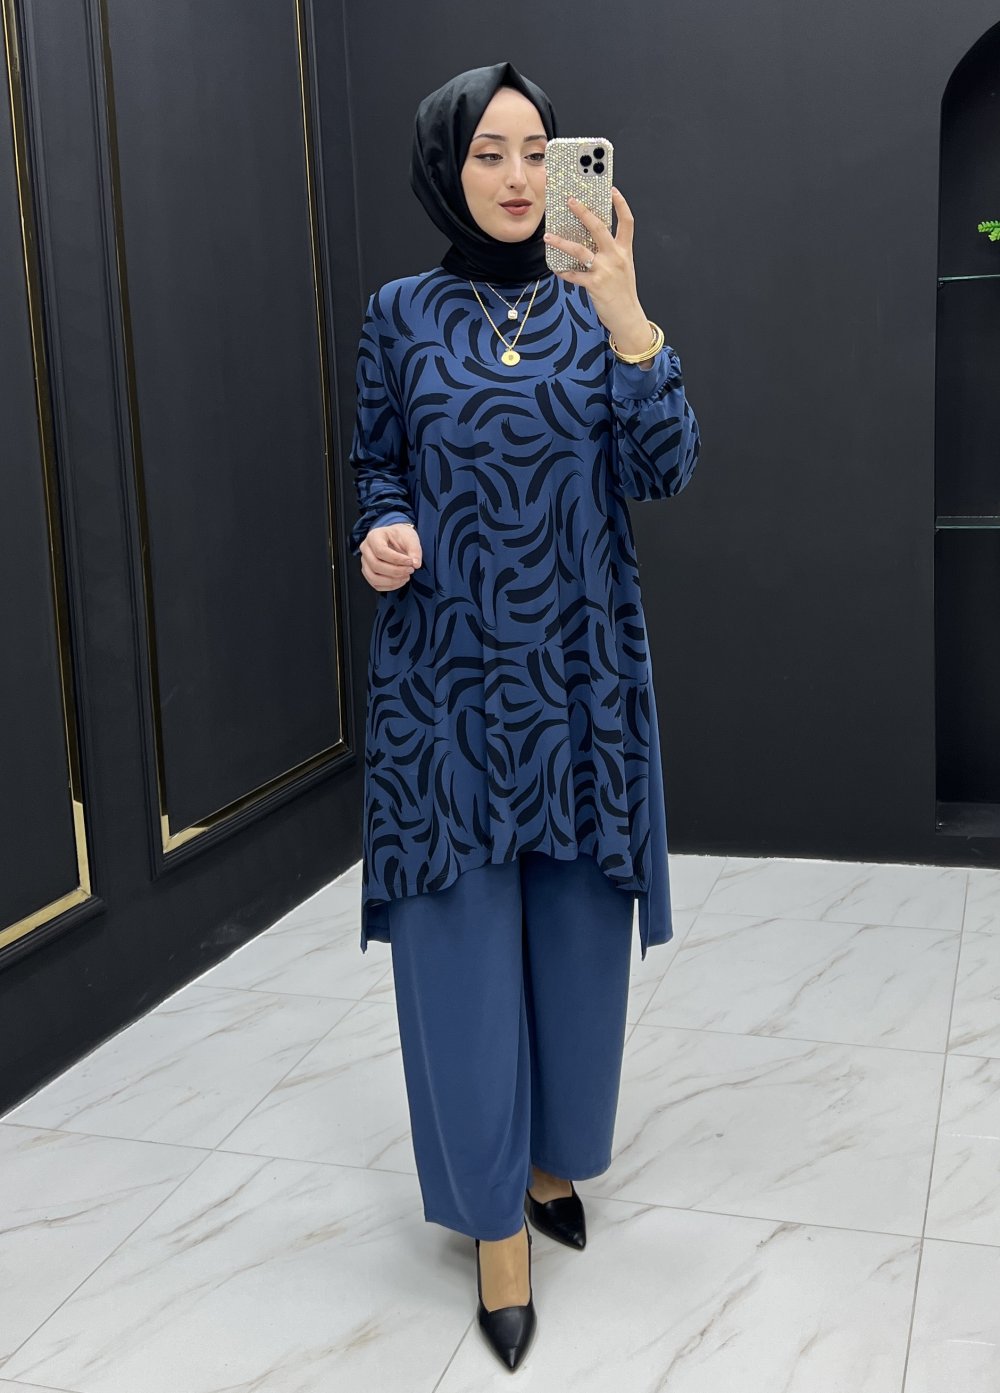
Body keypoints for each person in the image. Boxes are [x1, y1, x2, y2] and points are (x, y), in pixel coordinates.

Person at [346, 61, 700, 1373]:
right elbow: (376, 464)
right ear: (447, 166)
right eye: (487, 151)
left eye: (535, 151)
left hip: (582, 685)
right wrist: (383, 532)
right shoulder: (398, 314)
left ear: (567, 171)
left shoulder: (596, 304)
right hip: (443, 690)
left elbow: (666, 465)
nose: (511, 175)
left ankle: (553, 1159)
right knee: (460, 964)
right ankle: (498, 1228)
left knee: (573, 947)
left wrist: (627, 312)